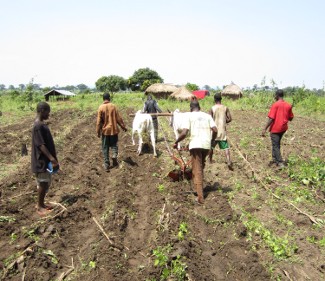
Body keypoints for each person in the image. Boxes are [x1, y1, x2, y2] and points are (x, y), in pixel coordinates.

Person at [173, 100, 217, 205]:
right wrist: (211, 141)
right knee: (200, 167)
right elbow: (215, 130)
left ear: (190, 108)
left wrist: (176, 142)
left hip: (196, 145)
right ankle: (197, 185)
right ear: (199, 107)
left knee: (197, 170)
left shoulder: (189, 116)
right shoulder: (207, 116)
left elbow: (184, 132)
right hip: (206, 146)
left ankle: (200, 197)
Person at [31, 102, 59, 216]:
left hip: (44, 160)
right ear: (42, 110)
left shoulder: (41, 124)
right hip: (41, 160)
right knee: (43, 182)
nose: (49, 114)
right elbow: (41, 145)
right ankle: (40, 206)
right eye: (48, 111)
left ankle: (41, 203)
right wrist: (52, 159)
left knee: (45, 182)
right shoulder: (38, 126)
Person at [262, 89, 294, 169]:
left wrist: (264, 128)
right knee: (276, 144)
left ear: (276, 95)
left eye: (275, 95)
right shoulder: (288, 105)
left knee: (275, 145)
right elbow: (291, 118)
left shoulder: (275, 105)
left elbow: (271, 118)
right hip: (283, 128)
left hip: (275, 129)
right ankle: (274, 159)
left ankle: (280, 162)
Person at [96, 93, 127, 172]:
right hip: (113, 130)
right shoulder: (113, 106)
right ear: (109, 98)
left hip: (105, 131)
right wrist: (123, 127)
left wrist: (98, 132)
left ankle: (106, 164)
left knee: (105, 147)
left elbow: (98, 122)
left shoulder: (100, 107)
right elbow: (118, 118)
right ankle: (114, 155)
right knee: (114, 145)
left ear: (103, 99)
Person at [209, 92, 233, 169]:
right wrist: (225, 121)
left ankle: (210, 160)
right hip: (222, 131)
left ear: (214, 99)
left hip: (214, 132)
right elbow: (230, 119)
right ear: (221, 99)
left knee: (211, 147)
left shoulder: (212, 108)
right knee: (226, 148)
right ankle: (229, 161)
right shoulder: (225, 108)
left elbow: (209, 120)